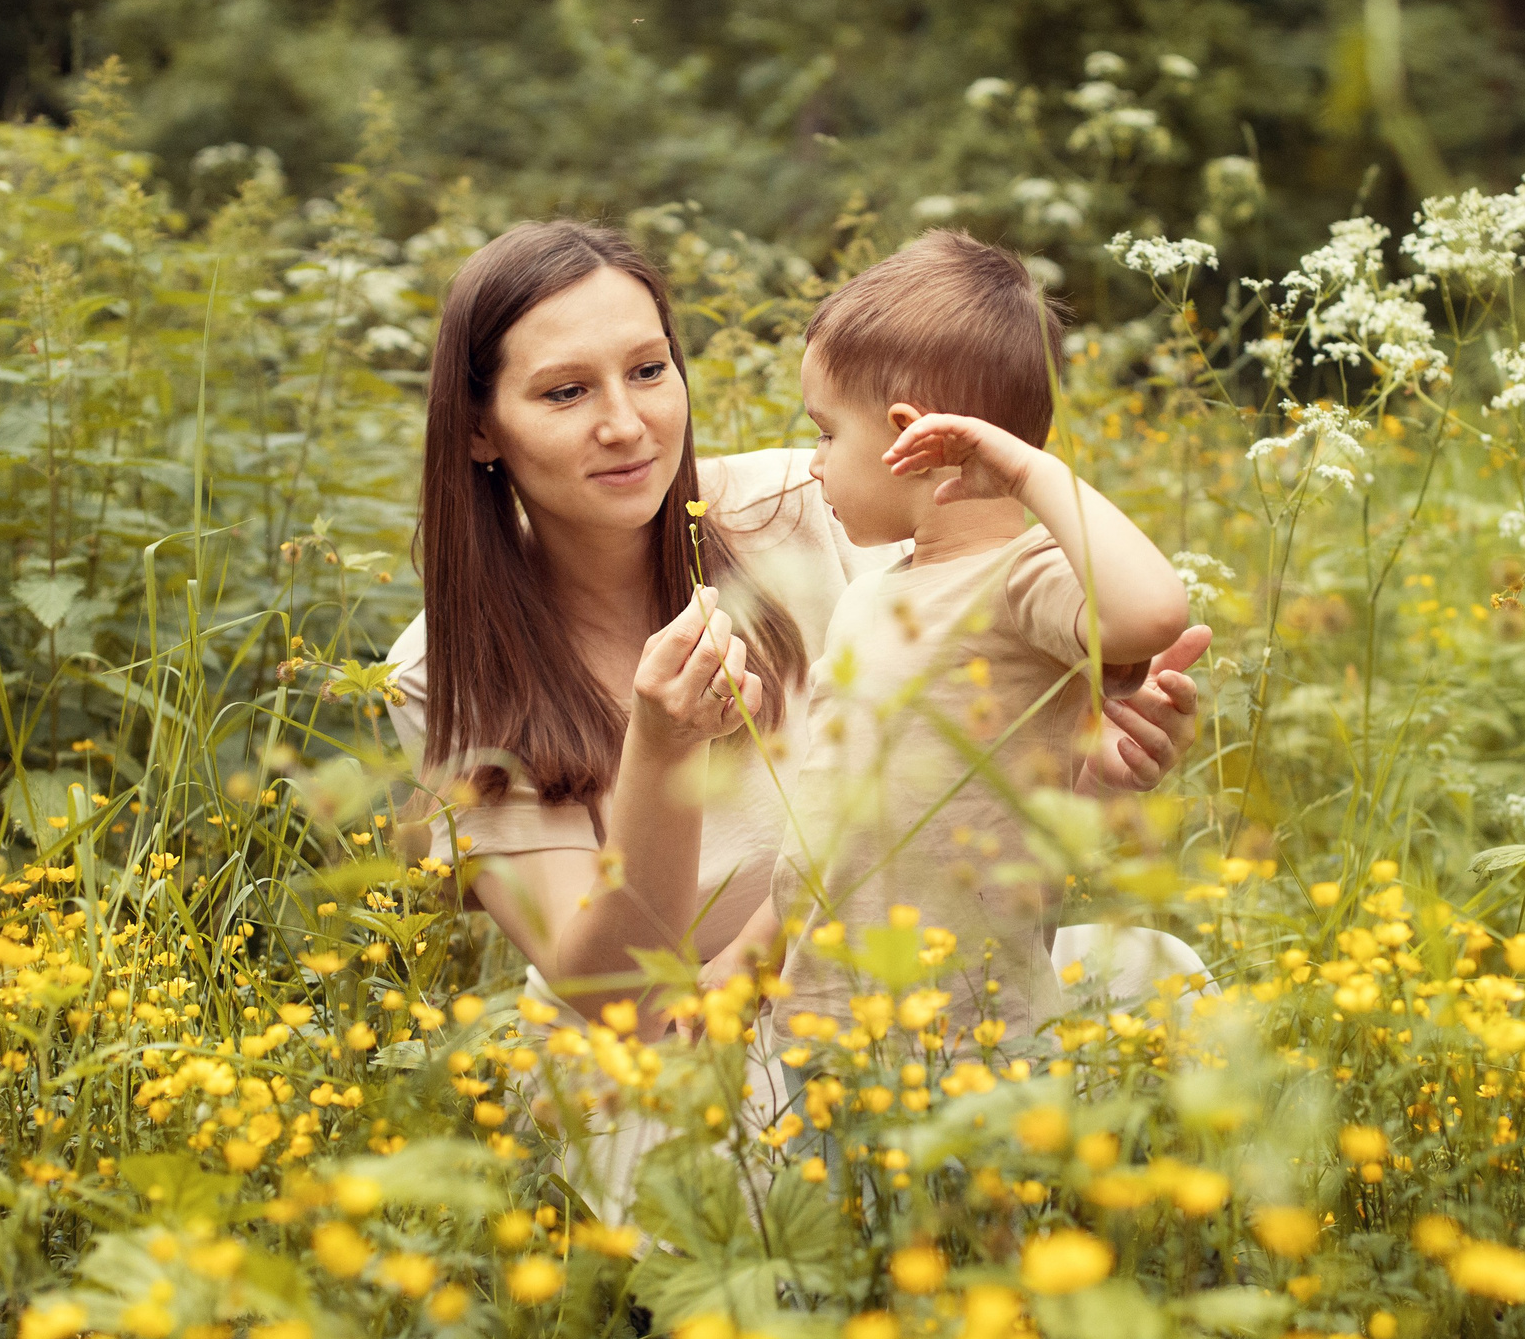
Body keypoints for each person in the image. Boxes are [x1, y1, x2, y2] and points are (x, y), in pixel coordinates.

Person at [384, 220, 1209, 1033]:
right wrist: (664, 748)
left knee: (1166, 977)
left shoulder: (814, 505)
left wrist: (1081, 763)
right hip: (668, 1043)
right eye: (566, 391)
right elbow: (616, 1002)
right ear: (480, 426)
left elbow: (951, 799)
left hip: (884, 973)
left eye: (647, 369)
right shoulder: (441, 665)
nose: (626, 424)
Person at [705, 230, 1193, 1046]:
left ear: (912, 438)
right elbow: (831, 823)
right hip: (826, 1026)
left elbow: (1152, 615)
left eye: (826, 433)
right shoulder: (878, 595)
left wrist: (1027, 470)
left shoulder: (1019, 577)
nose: (814, 464)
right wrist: (749, 955)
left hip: (976, 1037)